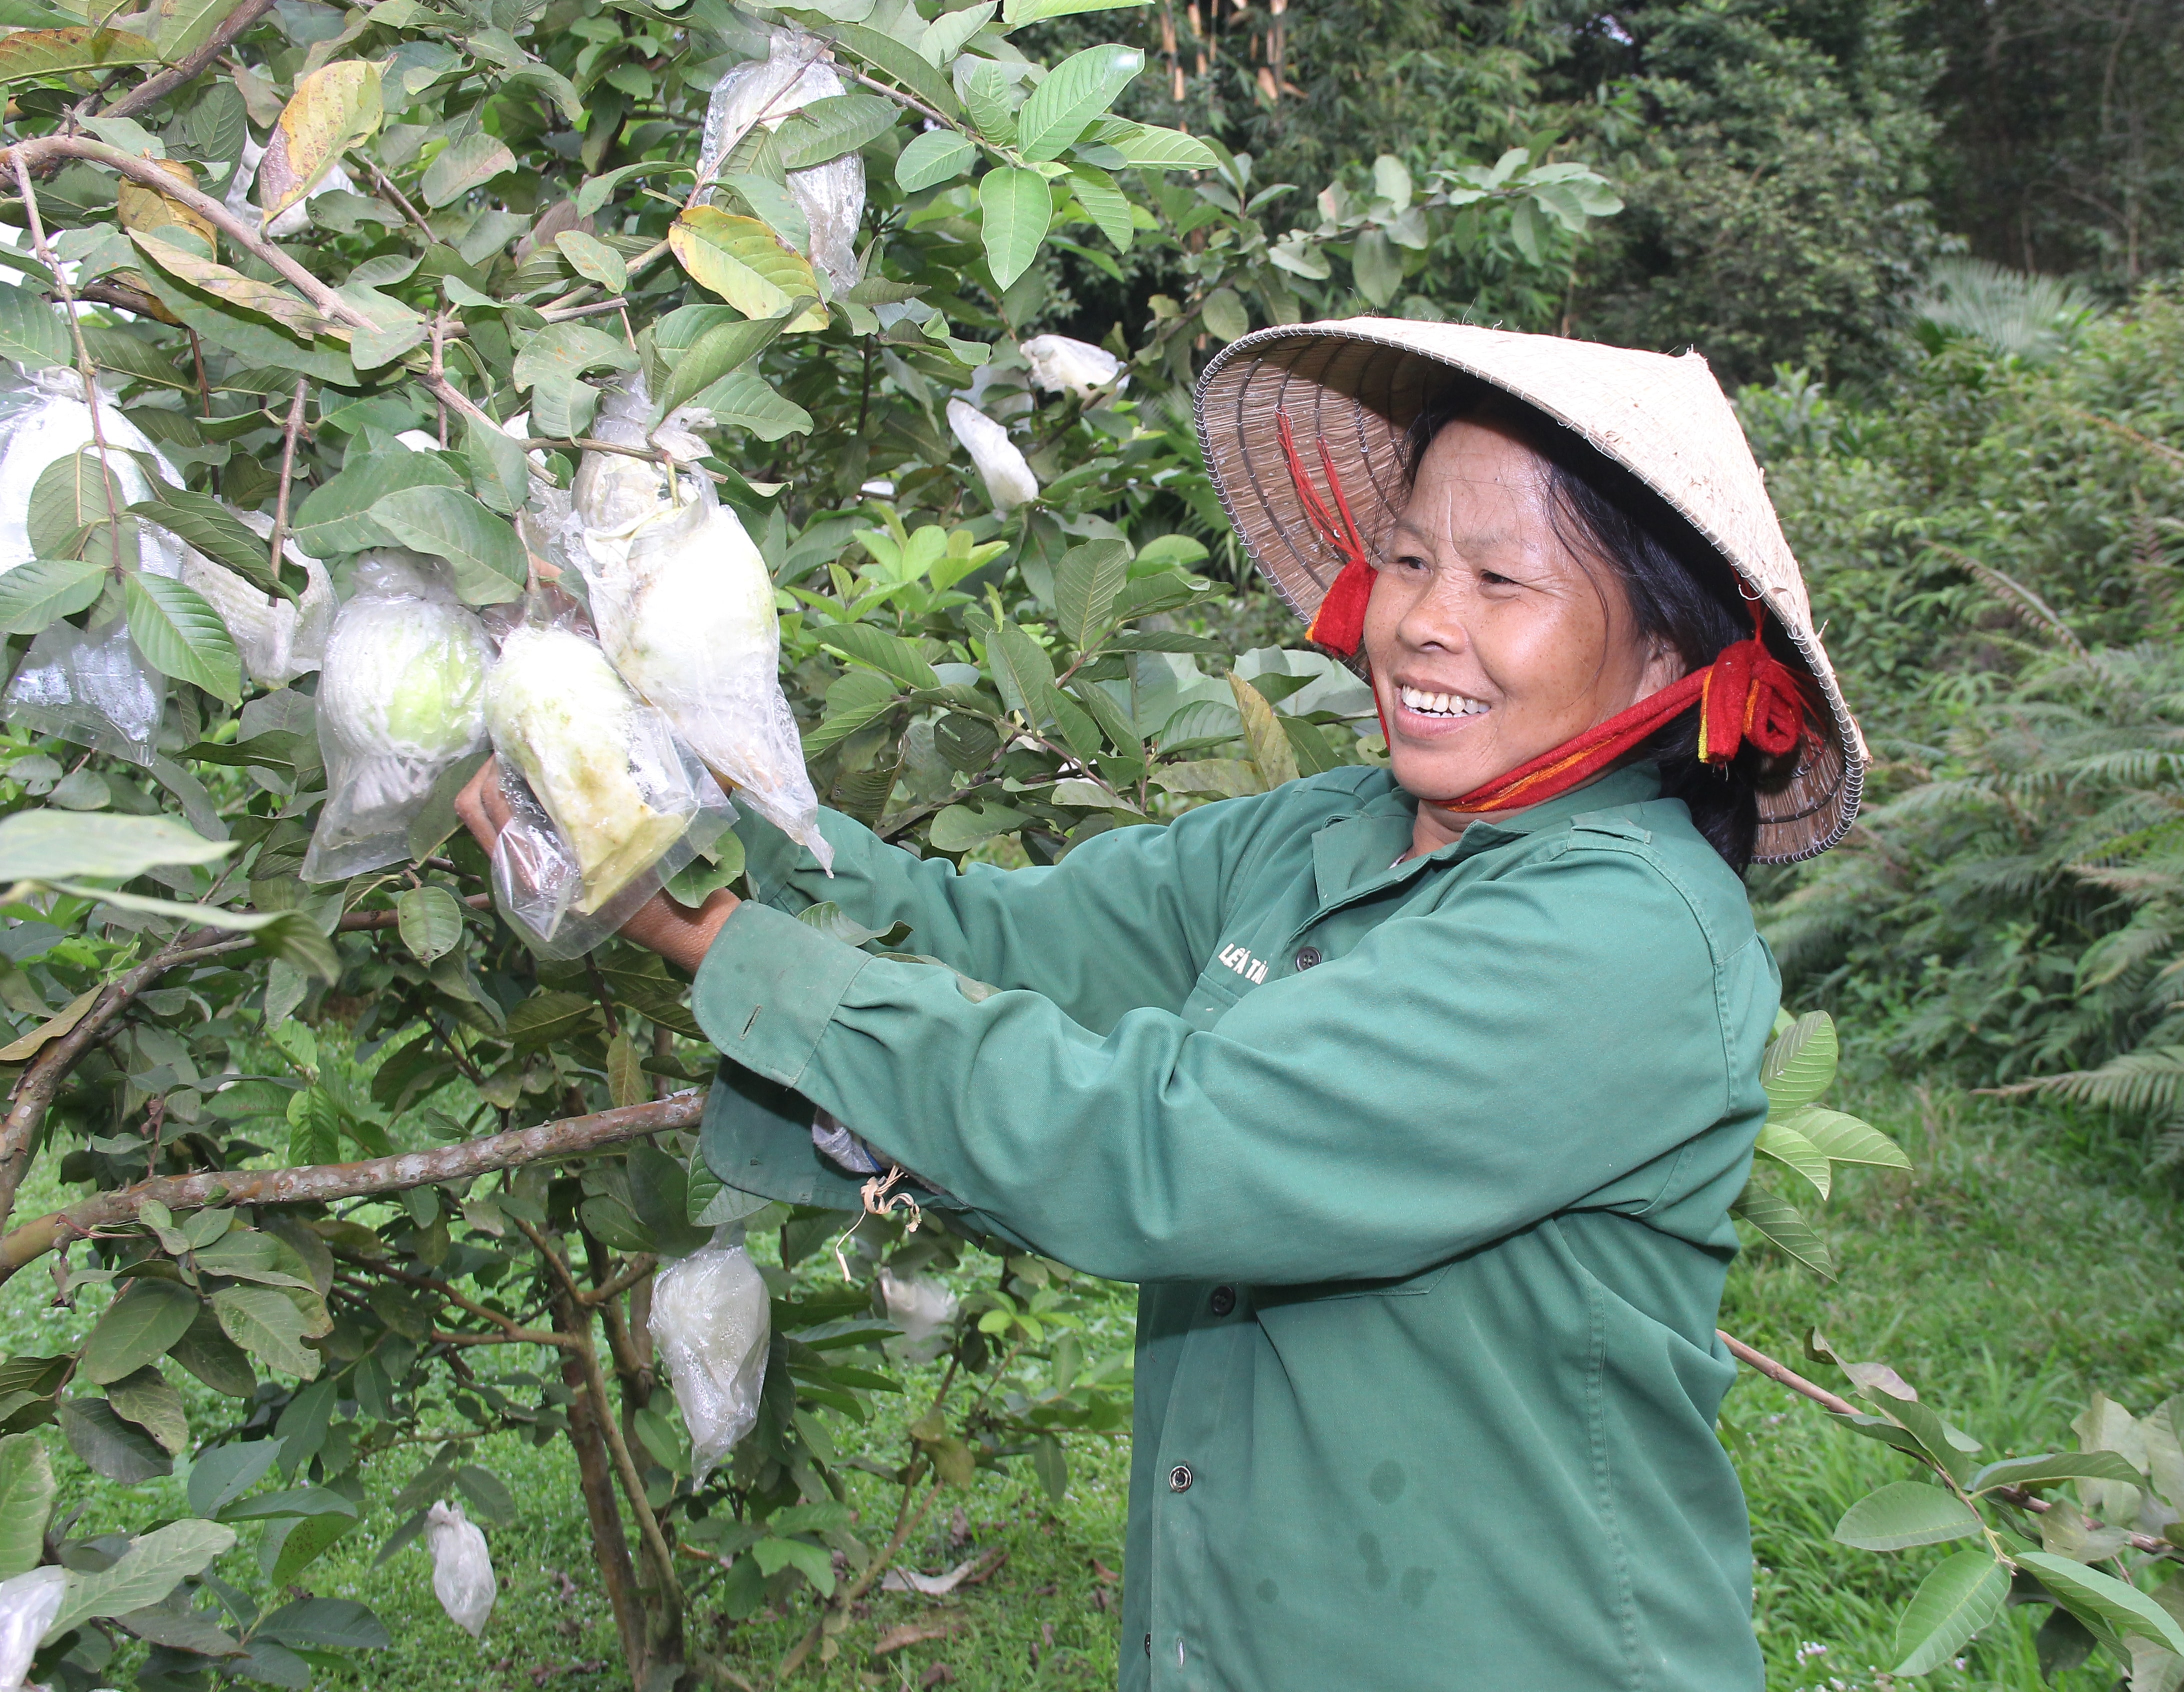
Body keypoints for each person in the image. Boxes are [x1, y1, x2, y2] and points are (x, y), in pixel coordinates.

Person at [459, 318, 1867, 1690]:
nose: (1426, 622)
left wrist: (708, 932)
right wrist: (648, 783)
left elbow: (1171, 1147)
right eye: (1410, 560)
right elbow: (995, 939)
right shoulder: (1329, 831)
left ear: (1666, 657)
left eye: (1503, 582)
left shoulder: (1621, 932)